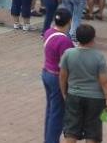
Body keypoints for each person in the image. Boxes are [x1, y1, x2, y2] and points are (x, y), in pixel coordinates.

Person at [59, 24, 107, 143]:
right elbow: (104, 82)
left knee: (71, 131)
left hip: (73, 95)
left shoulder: (68, 54)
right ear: (93, 38)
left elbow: (63, 76)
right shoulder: (99, 57)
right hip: (95, 99)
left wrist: (64, 93)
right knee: (92, 133)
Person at [43, 8, 74, 143]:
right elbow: (67, 65)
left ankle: (48, 139)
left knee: (50, 110)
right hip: (57, 78)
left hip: (46, 73)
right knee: (57, 114)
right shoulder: (65, 41)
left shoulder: (49, 32)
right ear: (69, 21)